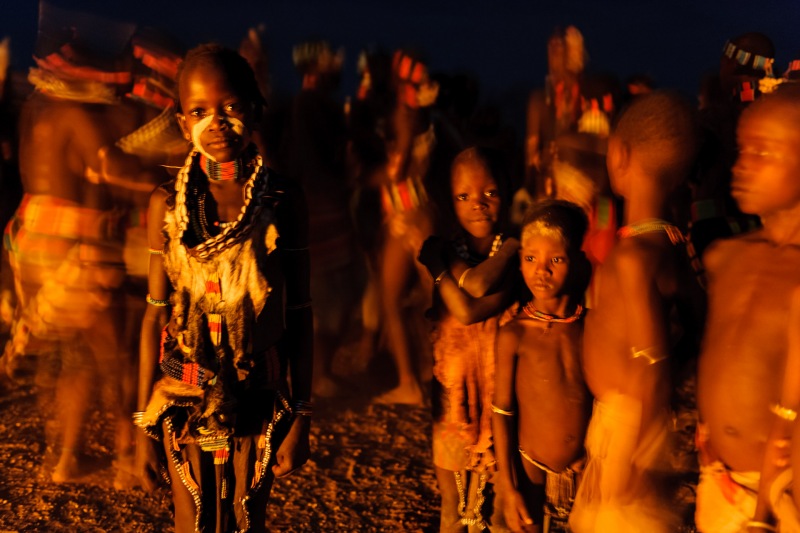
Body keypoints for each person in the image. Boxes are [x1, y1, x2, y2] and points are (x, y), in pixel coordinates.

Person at [133, 44, 312, 533]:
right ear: (180, 119)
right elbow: (154, 314)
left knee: (245, 515)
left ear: (254, 108)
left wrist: (302, 413)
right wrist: (140, 428)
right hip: (185, 383)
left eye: (230, 107)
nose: (216, 123)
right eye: (199, 111)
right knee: (193, 518)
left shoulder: (279, 198)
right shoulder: (167, 205)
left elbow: (300, 310)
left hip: (259, 384)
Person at [3, 5, 140, 483]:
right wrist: (164, 182)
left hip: (30, 236)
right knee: (111, 354)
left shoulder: (36, 108)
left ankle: (62, 456)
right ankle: (124, 456)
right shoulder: (74, 112)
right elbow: (110, 171)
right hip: (74, 244)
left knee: (66, 357)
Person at [568, 91, 701, 532]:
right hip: (638, 420)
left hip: (628, 430)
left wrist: (635, 457)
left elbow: (652, 360)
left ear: (620, 154)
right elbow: (694, 328)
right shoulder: (671, 244)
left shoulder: (630, 258)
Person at [696, 86, 800, 532]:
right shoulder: (726, 259)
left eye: (764, 152)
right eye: (742, 149)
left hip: (782, 498)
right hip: (717, 482)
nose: (741, 166)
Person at [417, 146, 520, 532]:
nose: (478, 205)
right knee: (452, 507)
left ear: (509, 191)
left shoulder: (513, 255)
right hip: (452, 401)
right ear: (449, 201)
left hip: (501, 400)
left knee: (499, 512)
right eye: (463, 197)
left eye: (490, 193)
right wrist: (441, 263)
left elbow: (470, 305)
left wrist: (439, 269)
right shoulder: (446, 250)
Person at [493, 199, 592, 533]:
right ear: (520, 261)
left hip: (585, 466)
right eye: (531, 258)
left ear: (577, 261)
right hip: (529, 464)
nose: (542, 270)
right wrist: (508, 487)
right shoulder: (514, 334)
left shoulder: (588, 326)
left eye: (557, 259)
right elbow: (502, 412)